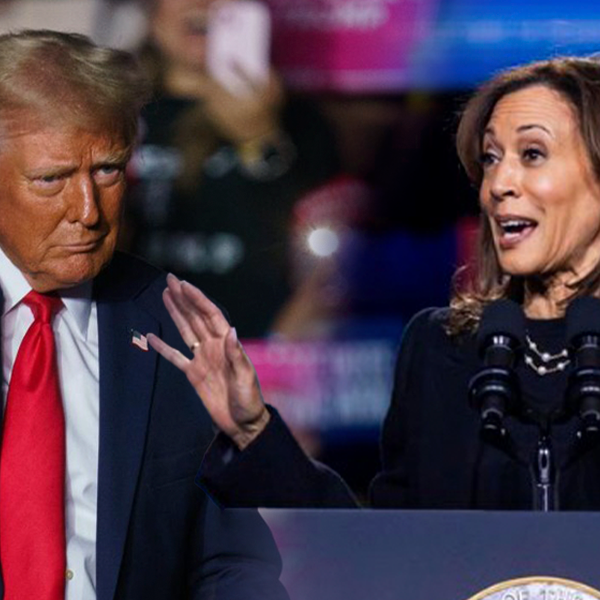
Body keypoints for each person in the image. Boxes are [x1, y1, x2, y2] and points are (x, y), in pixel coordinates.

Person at [149, 55, 600, 511]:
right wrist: (254, 432)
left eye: (532, 154)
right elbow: (380, 543)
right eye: (490, 157)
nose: (498, 183)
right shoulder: (442, 348)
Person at [0, 29, 288, 599]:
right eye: (52, 179)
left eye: (108, 170)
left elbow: (231, 561)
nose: (87, 211)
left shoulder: (175, 324)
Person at [124, 0, 340, 338]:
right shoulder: (115, 116)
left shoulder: (300, 122)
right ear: (152, 13)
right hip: (142, 347)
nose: (203, 3)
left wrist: (260, 138)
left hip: (256, 350)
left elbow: (326, 249)